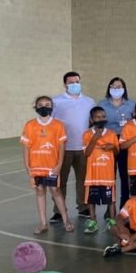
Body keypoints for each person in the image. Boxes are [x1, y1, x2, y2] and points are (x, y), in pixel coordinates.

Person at [22, 96, 73, 234]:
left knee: (55, 191)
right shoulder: (30, 125)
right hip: (36, 166)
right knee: (39, 191)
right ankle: (43, 223)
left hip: (51, 166)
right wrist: (27, 166)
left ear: (52, 107)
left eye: (47, 104)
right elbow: (26, 147)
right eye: (40, 104)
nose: (44, 107)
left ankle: (66, 220)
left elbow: (61, 147)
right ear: (36, 107)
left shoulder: (58, 125)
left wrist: (59, 165)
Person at [51, 71, 95, 222]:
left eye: (77, 82)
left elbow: (92, 122)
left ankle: (83, 207)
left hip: (83, 148)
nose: (74, 85)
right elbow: (51, 123)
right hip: (63, 148)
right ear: (65, 84)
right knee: (60, 181)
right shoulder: (56, 101)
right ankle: (58, 210)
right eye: (71, 82)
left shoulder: (89, 101)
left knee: (82, 180)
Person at [97, 77, 135, 207]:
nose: (116, 89)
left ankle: (125, 204)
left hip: (125, 142)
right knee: (109, 175)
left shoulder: (131, 105)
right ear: (109, 88)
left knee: (125, 175)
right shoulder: (102, 105)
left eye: (119, 86)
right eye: (113, 86)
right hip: (108, 142)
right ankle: (110, 205)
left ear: (124, 88)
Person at [82, 106, 120, 234]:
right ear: (92, 120)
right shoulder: (87, 134)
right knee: (91, 199)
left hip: (107, 173)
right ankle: (93, 221)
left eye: (103, 116)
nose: (101, 119)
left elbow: (117, 152)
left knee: (110, 199)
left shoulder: (111, 134)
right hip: (92, 174)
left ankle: (112, 220)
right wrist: (94, 139)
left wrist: (112, 147)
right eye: (97, 117)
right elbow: (86, 153)